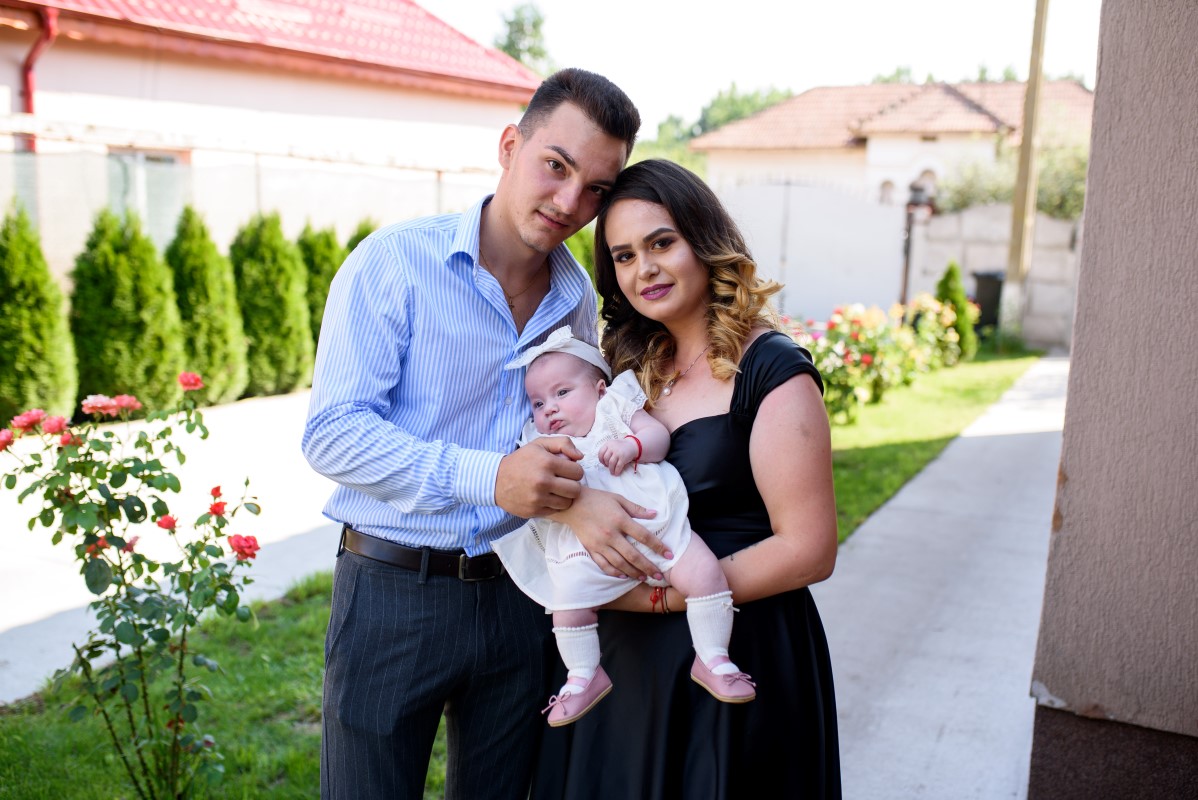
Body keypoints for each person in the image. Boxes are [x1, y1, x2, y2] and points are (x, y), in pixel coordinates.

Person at [302, 69, 666, 800]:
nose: (569, 203)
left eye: (595, 189)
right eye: (556, 166)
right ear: (508, 147)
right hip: (393, 592)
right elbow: (333, 434)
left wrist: (577, 496)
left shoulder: (577, 299)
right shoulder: (393, 262)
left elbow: (572, 433)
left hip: (523, 596)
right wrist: (491, 477)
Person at [533, 159, 842, 799]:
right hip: (620, 672)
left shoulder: (771, 369)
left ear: (703, 240)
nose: (643, 269)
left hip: (737, 652)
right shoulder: (621, 372)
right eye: (623, 256)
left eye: (661, 243)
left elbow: (809, 549)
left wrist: (666, 598)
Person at [492, 326, 756, 728]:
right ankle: (583, 676)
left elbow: (658, 436)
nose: (550, 409)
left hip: (658, 526)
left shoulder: (616, 407)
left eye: (562, 393)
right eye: (538, 402)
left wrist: (633, 445)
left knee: (704, 573)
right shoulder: (539, 442)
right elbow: (537, 494)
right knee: (567, 607)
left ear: (599, 389)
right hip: (589, 551)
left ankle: (714, 658)